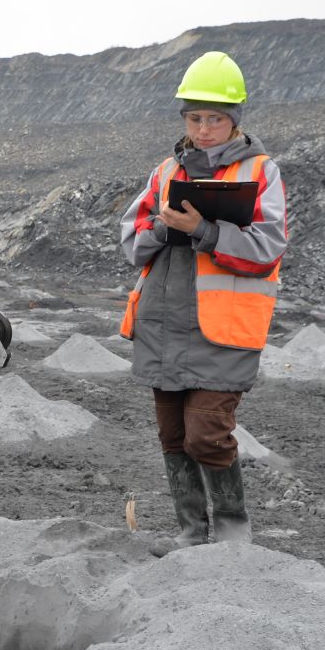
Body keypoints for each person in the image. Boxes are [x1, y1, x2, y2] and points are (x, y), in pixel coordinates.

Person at [119, 51, 288, 556]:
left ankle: (234, 532)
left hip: (223, 331)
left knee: (207, 435)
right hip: (163, 326)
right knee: (173, 437)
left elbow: (268, 248)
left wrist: (206, 231)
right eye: (196, 118)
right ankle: (191, 533)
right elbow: (131, 242)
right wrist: (160, 227)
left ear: (235, 118)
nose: (205, 128)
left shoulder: (261, 171)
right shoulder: (165, 171)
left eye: (215, 118)